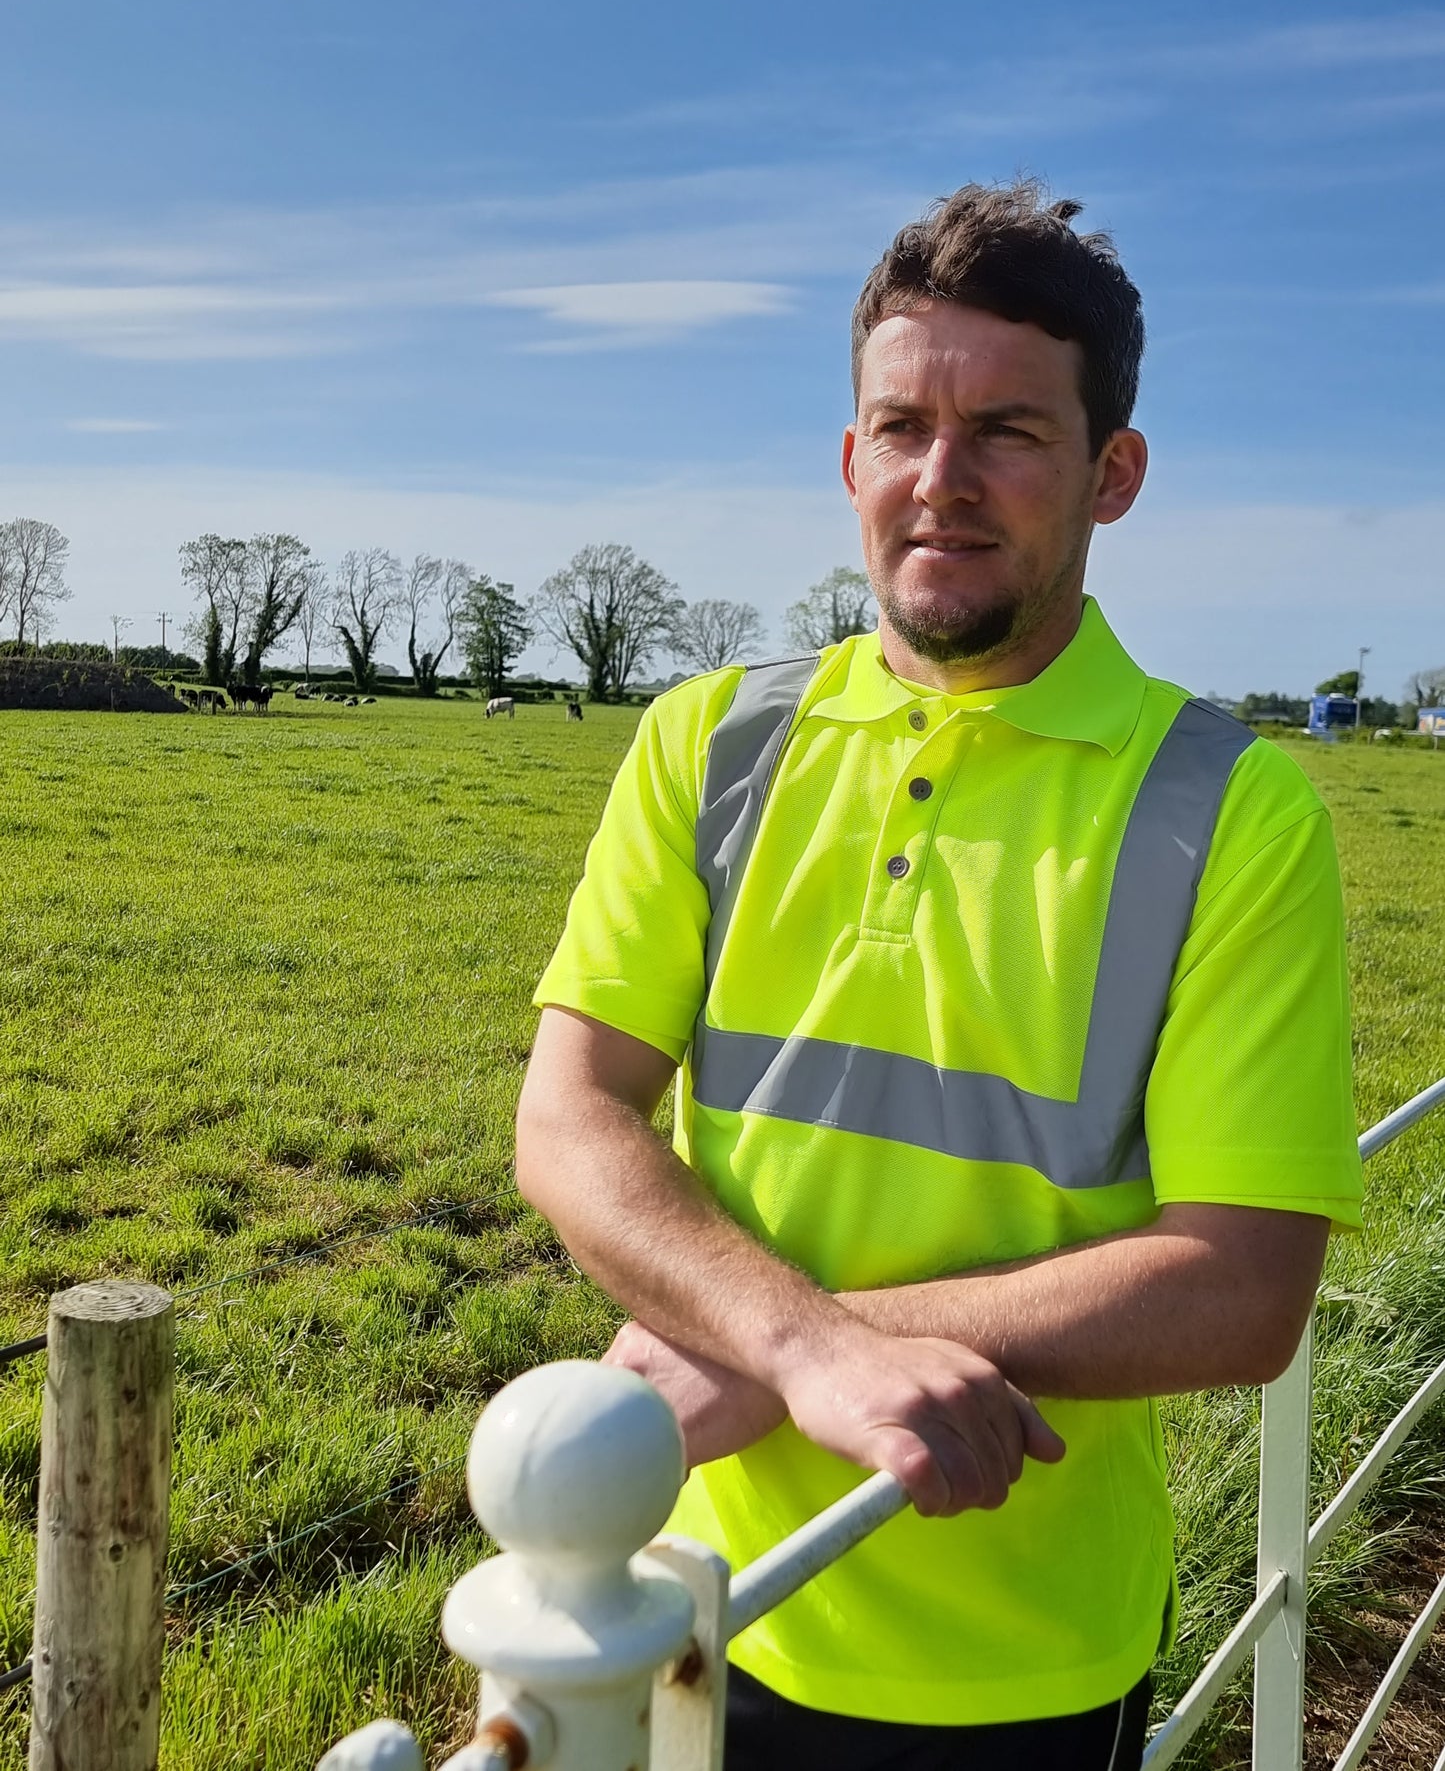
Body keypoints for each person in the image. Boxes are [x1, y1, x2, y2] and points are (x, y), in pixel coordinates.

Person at [515, 181, 1363, 1770]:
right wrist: (807, 1352)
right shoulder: (706, 742)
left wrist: (790, 1350)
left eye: (1010, 434)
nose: (939, 482)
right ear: (848, 458)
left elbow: (1244, 1286)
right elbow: (570, 1113)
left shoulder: (1229, 805)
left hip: (1021, 1665)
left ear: (1111, 475)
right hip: (693, 1602)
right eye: (898, 425)